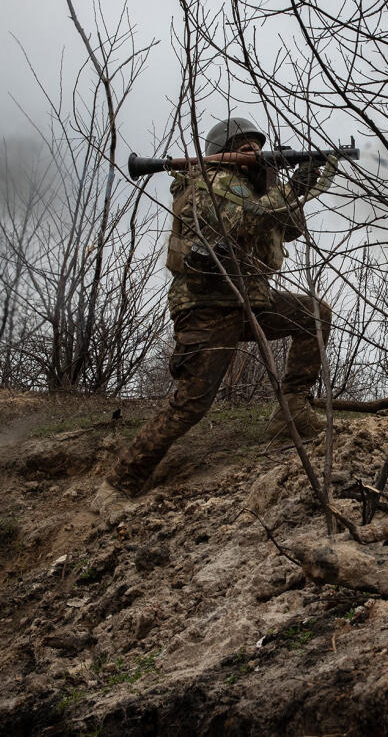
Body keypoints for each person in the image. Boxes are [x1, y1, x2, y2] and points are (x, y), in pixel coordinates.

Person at [97, 116, 337, 504]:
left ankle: (292, 409)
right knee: (191, 404)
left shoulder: (251, 185)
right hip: (206, 306)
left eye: (258, 146)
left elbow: (289, 228)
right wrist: (290, 187)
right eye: (244, 147)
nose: (254, 151)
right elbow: (242, 221)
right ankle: (118, 484)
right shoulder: (206, 183)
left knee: (314, 315)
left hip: (248, 300)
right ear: (221, 152)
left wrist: (284, 184)